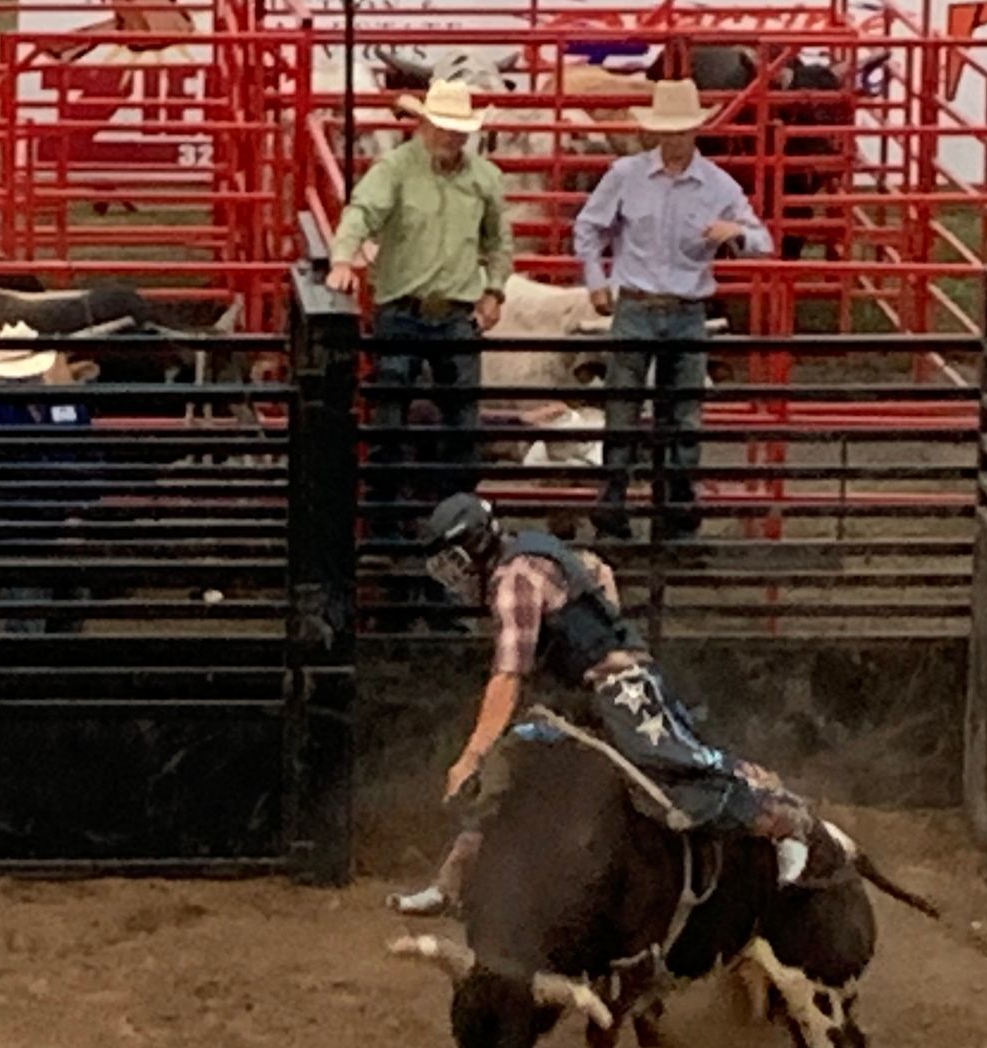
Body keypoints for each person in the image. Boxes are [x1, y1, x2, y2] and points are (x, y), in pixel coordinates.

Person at [387, 494, 818, 918]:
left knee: (666, 769)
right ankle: (455, 878)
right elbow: (598, 570)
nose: (453, 575)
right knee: (511, 762)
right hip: (584, 694)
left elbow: (507, 676)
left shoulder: (513, 580)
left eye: (455, 561)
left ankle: (778, 818)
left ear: (477, 546)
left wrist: (471, 754)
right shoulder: (534, 553)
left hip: (620, 688)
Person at [572, 78, 773, 541]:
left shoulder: (717, 185)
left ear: (693, 133)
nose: (674, 139)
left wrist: (735, 234)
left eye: (681, 131)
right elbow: (588, 227)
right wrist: (595, 279)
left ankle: (671, 508)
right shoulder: (627, 175)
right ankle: (619, 508)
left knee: (681, 416)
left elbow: (763, 242)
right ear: (657, 133)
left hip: (683, 308)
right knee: (626, 411)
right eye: (669, 131)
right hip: (642, 306)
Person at [326, 78, 513, 523]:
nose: (453, 136)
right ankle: (387, 521)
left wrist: (495, 289)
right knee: (389, 423)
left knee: (462, 429)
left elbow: (498, 241)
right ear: (426, 125)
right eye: (446, 127)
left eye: (458, 128)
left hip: (455, 312)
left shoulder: (484, 179)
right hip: (402, 308)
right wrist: (342, 257)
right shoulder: (394, 169)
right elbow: (362, 212)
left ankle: (457, 522)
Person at [0, 321, 92, 635]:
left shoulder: (64, 405)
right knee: (28, 616)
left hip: (51, 524)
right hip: (23, 533)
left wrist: (76, 511)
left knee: (69, 612)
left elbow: (88, 458)